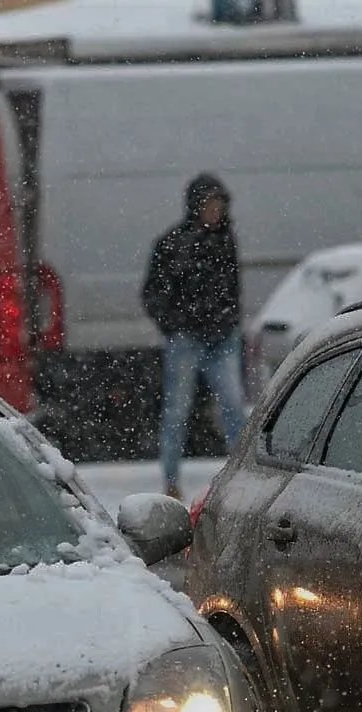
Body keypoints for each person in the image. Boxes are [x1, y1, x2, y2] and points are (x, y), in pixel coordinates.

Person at [141, 173, 248, 497]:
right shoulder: (173, 244)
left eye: (218, 205)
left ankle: (243, 474)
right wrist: (175, 324)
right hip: (187, 339)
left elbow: (231, 287)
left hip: (220, 337)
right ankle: (172, 480)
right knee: (178, 411)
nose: (214, 212)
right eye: (209, 205)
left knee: (232, 406)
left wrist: (227, 318)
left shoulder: (224, 241)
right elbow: (153, 293)